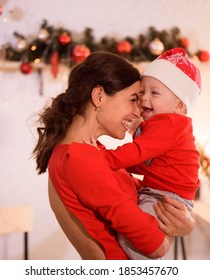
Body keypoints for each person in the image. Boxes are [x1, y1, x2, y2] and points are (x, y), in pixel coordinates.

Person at [33, 51, 195, 260]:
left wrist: (185, 221)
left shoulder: (92, 152)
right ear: (99, 96)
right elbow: (156, 247)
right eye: (133, 99)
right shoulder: (80, 158)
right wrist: (180, 229)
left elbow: (152, 196)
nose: (139, 112)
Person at [86, 48, 201, 259]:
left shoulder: (170, 124)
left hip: (166, 197)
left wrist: (102, 158)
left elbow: (138, 153)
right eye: (140, 94)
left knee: (133, 242)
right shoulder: (163, 125)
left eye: (154, 93)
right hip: (160, 192)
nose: (143, 99)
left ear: (179, 105)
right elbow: (145, 161)